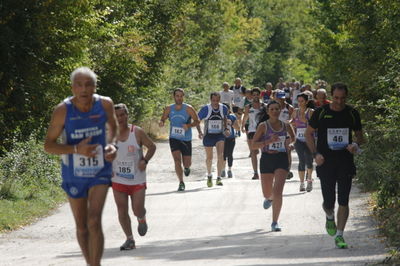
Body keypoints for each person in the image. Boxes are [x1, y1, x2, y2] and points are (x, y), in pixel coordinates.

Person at [44, 67, 118, 266]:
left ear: (95, 87)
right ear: (72, 88)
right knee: (82, 226)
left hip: (100, 170)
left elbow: (113, 128)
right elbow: (48, 145)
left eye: (88, 84)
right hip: (73, 173)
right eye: (79, 85)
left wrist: (112, 145)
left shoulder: (105, 104)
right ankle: (90, 263)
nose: (84, 89)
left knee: (94, 220)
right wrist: (77, 149)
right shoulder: (62, 110)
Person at [305, 82, 363, 249]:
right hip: (326, 162)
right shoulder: (321, 112)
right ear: (331, 96)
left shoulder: (352, 113)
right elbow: (309, 133)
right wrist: (315, 154)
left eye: (342, 98)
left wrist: (355, 146)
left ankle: (340, 235)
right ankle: (329, 216)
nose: (339, 101)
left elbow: (360, 137)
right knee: (328, 202)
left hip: (345, 161)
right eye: (336, 98)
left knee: (344, 199)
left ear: (347, 97)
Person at [112, 103, 156, 250]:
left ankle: (141, 218)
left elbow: (152, 146)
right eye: (117, 116)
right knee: (122, 210)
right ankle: (129, 239)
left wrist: (144, 160)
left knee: (137, 209)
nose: (120, 118)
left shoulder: (136, 132)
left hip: (137, 179)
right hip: (118, 178)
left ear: (127, 115)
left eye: (123, 114)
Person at [252, 100, 295, 232]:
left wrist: (290, 143)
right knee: (267, 193)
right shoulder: (263, 126)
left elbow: (293, 138)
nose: (275, 111)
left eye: (277, 109)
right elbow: (253, 145)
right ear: (267, 111)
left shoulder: (286, 125)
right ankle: (269, 198)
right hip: (267, 159)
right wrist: (268, 142)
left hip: (281, 159)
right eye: (272, 109)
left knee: (278, 192)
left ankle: (275, 222)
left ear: (281, 110)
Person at [159, 88, 200, 191]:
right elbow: (163, 118)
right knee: (177, 161)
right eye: (177, 96)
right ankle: (181, 182)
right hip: (174, 138)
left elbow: (197, 121)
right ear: (174, 97)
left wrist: (189, 125)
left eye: (181, 96)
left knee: (187, 163)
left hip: (186, 139)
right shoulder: (169, 108)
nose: (179, 98)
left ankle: (186, 168)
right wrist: (162, 122)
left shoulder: (188, 108)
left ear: (183, 97)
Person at [197, 92, 230, 187]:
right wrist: (200, 132)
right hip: (208, 136)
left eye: (217, 100)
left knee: (220, 155)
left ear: (220, 100)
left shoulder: (223, 108)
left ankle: (219, 177)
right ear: (210, 100)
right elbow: (197, 120)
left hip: (219, 135)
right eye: (213, 100)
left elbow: (224, 118)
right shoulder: (206, 109)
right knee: (209, 158)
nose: (215, 102)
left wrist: (226, 128)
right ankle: (209, 175)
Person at [290, 93, 314, 192]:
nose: (300, 103)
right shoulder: (295, 111)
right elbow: (292, 121)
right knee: (301, 160)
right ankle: (301, 183)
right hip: (298, 139)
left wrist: (306, 122)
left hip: (309, 139)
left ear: (306, 102)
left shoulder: (311, 112)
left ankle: (309, 180)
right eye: (298, 101)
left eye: (302, 101)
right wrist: (290, 122)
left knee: (309, 161)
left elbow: (315, 125)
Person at [242, 88, 264, 180]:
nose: (255, 96)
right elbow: (246, 116)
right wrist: (242, 126)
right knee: (253, 152)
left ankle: (264, 170)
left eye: (257, 95)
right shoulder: (248, 106)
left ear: (260, 95)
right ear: (251, 96)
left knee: (264, 152)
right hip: (252, 131)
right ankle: (255, 173)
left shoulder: (264, 106)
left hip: (263, 131)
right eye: (253, 95)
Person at [275, 90, 295, 179]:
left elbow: (293, 119)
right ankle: (277, 169)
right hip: (276, 133)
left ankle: (288, 170)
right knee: (277, 152)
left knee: (288, 152)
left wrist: (289, 122)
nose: (281, 100)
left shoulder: (289, 107)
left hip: (287, 132)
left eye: (282, 98)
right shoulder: (274, 107)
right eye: (279, 98)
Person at [221, 104, 240, 178]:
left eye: (226, 109)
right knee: (223, 154)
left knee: (229, 154)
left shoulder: (232, 117)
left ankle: (229, 169)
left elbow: (238, 128)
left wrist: (231, 124)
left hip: (231, 138)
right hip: (221, 138)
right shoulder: (219, 116)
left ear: (229, 109)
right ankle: (223, 170)